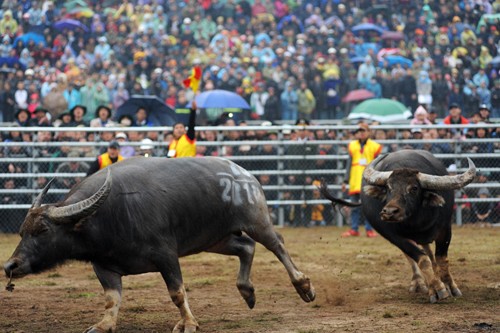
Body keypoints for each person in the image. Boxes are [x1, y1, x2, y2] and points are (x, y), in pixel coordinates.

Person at [341, 122, 382, 238]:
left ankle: (369, 229)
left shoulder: (374, 146)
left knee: (369, 208)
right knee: (354, 206)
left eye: (363, 131)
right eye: (359, 131)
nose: (361, 133)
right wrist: (345, 180)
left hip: (368, 180)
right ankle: (354, 229)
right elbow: (349, 164)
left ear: (369, 132)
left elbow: (378, 165)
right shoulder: (352, 145)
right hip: (355, 181)